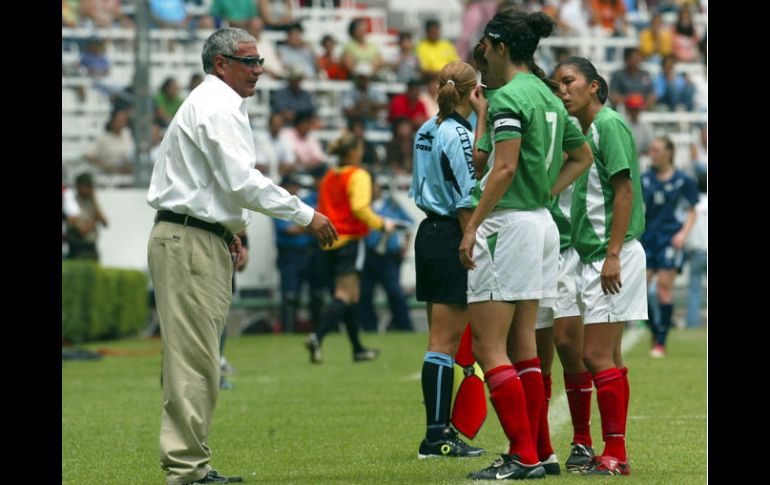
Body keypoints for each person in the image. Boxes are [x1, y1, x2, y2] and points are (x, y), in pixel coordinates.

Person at [146, 28, 337, 485]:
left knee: (195, 358)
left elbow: (216, 184)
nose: (258, 70)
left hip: (193, 235)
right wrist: (306, 213)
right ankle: (188, 469)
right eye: (249, 62)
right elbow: (242, 182)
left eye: (260, 61)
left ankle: (190, 465)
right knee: (195, 361)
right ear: (221, 64)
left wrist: (228, 228)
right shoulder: (217, 105)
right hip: (190, 239)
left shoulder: (212, 102)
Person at [458, 11, 593, 480]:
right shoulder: (546, 94)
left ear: (498, 46)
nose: (482, 55)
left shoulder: (511, 96)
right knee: (523, 347)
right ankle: (541, 451)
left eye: (485, 47)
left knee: (488, 346)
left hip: (507, 225)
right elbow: (581, 155)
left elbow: (504, 167)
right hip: (540, 224)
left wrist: (473, 226)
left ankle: (522, 456)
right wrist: (546, 192)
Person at [553, 55, 648, 475]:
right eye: (558, 84)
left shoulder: (608, 125)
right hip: (596, 255)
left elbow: (623, 191)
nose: (563, 91)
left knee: (594, 355)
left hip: (611, 256)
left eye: (569, 81)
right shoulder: (586, 130)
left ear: (594, 86)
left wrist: (612, 254)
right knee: (604, 355)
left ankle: (615, 454)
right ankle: (613, 452)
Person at [410, 60, 486, 460]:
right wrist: (471, 237)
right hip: (453, 233)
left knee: (439, 340)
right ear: (473, 91)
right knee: (444, 342)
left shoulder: (426, 128)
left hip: (428, 232)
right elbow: (465, 194)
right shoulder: (458, 134)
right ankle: (436, 436)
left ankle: (438, 430)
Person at [304, 132, 393, 364]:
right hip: (350, 240)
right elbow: (360, 208)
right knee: (344, 294)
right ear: (353, 151)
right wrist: (382, 224)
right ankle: (317, 336)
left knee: (352, 295)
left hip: (329, 242)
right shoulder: (358, 174)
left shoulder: (329, 176)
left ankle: (358, 349)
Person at [641, 136, 699, 357]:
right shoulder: (645, 179)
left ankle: (661, 342)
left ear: (669, 153)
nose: (652, 154)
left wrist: (683, 233)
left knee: (664, 287)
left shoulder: (683, 180)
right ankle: (655, 329)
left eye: (656, 150)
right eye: (651, 150)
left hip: (669, 239)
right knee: (639, 289)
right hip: (648, 238)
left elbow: (692, 210)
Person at [359, 179, 414, 333]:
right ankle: (369, 328)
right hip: (369, 255)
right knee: (365, 293)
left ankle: (404, 327)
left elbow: (408, 224)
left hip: (389, 257)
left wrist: (405, 247)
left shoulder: (392, 205)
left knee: (395, 292)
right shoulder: (363, 207)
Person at [65, 172, 109, 261]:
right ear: (78, 186)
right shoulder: (71, 204)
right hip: (78, 250)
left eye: (90, 186)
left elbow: (105, 223)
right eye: (86, 186)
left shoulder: (91, 203)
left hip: (91, 249)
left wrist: (94, 202)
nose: (89, 189)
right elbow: (82, 231)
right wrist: (95, 220)